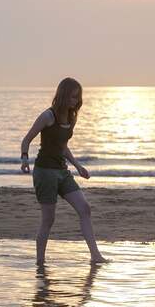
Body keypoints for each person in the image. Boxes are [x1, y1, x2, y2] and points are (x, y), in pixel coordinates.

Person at [20, 77, 107, 266]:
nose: (75, 101)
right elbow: (26, 139)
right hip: (45, 172)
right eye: (73, 97)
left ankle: (95, 255)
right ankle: (40, 262)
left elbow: (62, 147)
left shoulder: (72, 117)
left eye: (78, 97)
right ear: (63, 95)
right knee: (48, 219)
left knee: (85, 208)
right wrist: (25, 159)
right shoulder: (48, 116)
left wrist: (77, 166)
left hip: (62, 171)